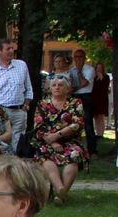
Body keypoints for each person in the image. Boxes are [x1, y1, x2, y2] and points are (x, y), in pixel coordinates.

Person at [33, 77, 89, 205]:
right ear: (50, 88)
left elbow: (77, 124)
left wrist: (57, 135)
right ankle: (60, 189)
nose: (57, 87)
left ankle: (61, 196)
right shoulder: (43, 104)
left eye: (60, 85)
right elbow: (38, 126)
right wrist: (52, 141)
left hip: (70, 140)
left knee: (74, 154)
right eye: (54, 85)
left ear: (67, 89)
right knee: (44, 154)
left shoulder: (75, 102)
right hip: (47, 141)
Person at [68, 50, 97, 155]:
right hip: (75, 97)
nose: (78, 59)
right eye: (76, 57)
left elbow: (84, 83)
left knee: (88, 124)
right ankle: (74, 148)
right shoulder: (71, 70)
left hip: (86, 96)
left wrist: (79, 72)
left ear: (84, 58)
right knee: (73, 123)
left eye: (80, 57)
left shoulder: (90, 69)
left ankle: (92, 150)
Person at [92, 62, 110, 136]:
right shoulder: (93, 77)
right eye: (97, 68)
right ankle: (97, 133)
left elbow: (106, 87)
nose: (99, 69)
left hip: (102, 99)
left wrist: (101, 78)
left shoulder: (106, 77)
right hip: (94, 98)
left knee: (101, 116)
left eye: (100, 68)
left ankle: (101, 133)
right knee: (96, 116)